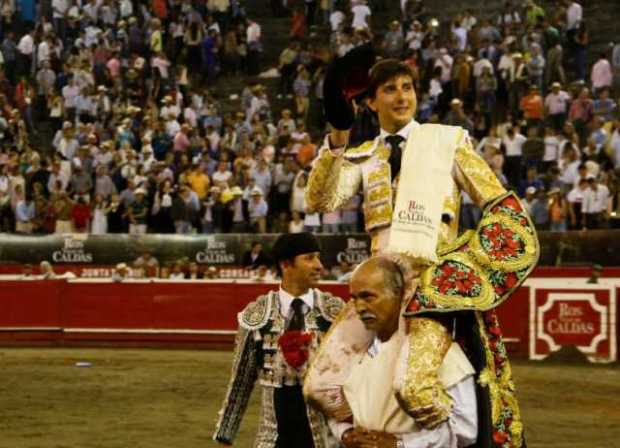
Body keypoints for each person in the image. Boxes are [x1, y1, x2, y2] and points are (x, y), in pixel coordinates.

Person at [306, 57, 538, 446]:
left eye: (407, 87)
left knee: (415, 389)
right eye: (390, 89)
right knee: (320, 385)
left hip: (432, 291)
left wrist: (470, 264)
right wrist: (338, 134)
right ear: (371, 102)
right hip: (379, 288)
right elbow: (321, 199)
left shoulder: (448, 141)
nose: (402, 97)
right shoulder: (363, 157)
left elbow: (498, 201)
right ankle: (369, 434)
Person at [307, 257, 478, 448]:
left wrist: (402, 444)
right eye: (354, 298)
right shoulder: (350, 352)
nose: (359, 307)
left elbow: (465, 429)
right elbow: (336, 412)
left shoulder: (439, 352)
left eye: (368, 296)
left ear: (398, 294)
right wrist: (346, 433)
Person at [213, 232, 345, 447]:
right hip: (272, 438)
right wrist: (225, 434)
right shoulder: (257, 315)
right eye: (309, 258)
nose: (319, 265)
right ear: (286, 264)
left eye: (318, 257)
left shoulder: (335, 312)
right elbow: (241, 381)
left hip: (327, 437)